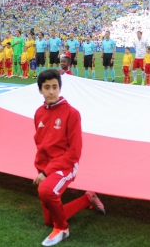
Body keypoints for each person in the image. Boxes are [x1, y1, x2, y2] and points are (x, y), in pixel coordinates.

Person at [33, 69, 105, 246]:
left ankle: (63, 229)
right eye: (47, 87)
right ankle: (89, 198)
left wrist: (46, 171)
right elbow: (41, 145)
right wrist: (42, 169)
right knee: (49, 220)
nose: (51, 91)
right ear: (40, 90)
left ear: (60, 88)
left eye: (55, 87)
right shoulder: (38, 113)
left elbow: (74, 152)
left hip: (66, 166)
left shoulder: (72, 114)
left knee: (46, 191)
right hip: (46, 168)